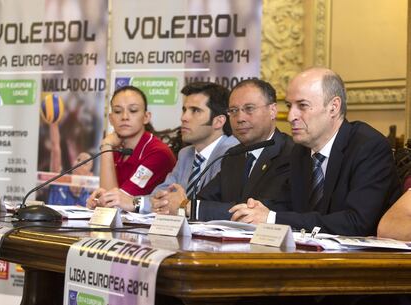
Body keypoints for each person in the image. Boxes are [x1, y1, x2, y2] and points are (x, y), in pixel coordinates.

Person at [229, 67, 401, 236]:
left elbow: (356, 223)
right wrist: (258, 210)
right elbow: (289, 206)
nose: (290, 117)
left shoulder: (368, 146)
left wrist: (272, 217)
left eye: (302, 106)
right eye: (289, 106)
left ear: (333, 107)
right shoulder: (300, 151)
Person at [151, 78, 294, 219]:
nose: (240, 118)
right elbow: (205, 199)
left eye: (249, 109)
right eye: (234, 110)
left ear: (273, 110)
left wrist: (187, 206)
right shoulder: (233, 155)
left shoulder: (290, 153)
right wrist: (175, 202)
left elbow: (258, 209)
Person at [86, 85, 176, 210]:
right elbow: (107, 200)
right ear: (111, 119)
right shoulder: (117, 148)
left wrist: (106, 145)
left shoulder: (158, 153)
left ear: (146, 117)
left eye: (133, 110)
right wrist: (97, 200)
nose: (124, 117)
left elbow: (112, 206)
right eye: (118, 111)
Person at [47, 123, 93, 206]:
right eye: (78, 159)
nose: (79, 163)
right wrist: (53, 121)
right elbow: (55, 148)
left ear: (90, 175)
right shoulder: (59, 181)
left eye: (85, 162)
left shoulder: (89, 200)